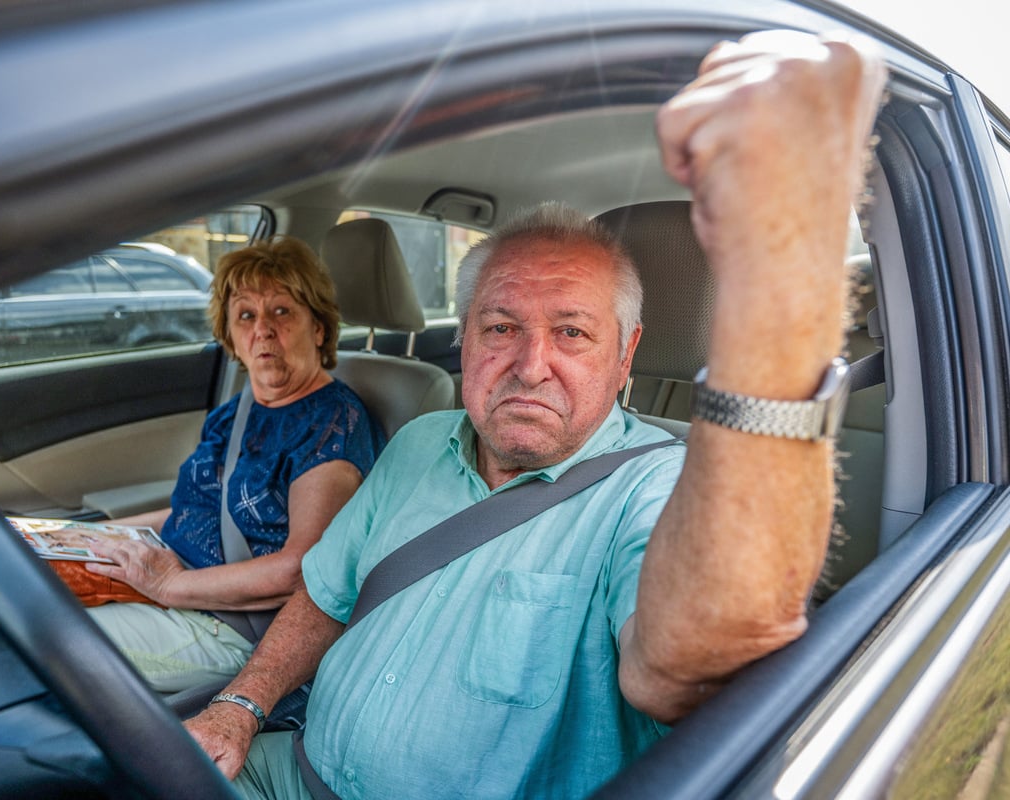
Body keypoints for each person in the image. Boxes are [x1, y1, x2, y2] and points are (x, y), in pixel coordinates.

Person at [182, 30, 888, 798]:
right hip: (287, 772)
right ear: (465, 341)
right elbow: (324, 592)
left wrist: (778, 274)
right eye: (501, 327)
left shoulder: (664, 490)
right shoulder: (419, 440)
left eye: (573, 333)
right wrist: (238, 708)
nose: (529, 363)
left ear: (626, 355)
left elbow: (683, 671)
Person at [84, 235, 386, 692]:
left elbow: (300, 569)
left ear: (319, 329)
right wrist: (88, 534)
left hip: (236, 629)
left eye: (282, 311)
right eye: (246, 315)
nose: (262, 328)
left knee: (36, 636)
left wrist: (170, 586)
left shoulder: (331, 422)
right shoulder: (234, 414)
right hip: (175, 595)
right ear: (231, 338)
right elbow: (192, 510)